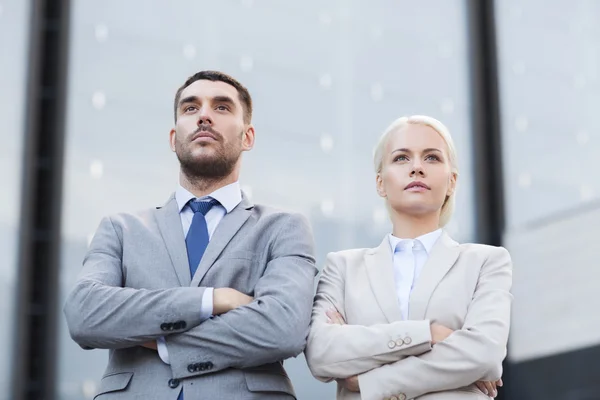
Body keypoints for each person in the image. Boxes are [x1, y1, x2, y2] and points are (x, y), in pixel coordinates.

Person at [64, 70, 317, 399]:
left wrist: (160, 340)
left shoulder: (283, 227)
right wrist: (212, 300)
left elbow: (283, 328)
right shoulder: (120, 229)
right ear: (173, 138)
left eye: (222, 107)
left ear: (248, 137)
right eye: (190, 108)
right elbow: (85, 313)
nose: (205, 116)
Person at [305, 115, 512, 400]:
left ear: (452, 181)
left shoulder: (486, 262)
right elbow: (322, 354)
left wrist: (369, 382)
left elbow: (485, 354)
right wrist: (428, 333)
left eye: (431, 158)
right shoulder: (342, 267)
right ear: (381, 182)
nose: (416, 168)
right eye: (402, 158)